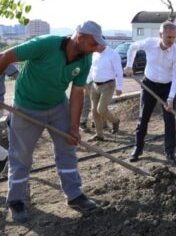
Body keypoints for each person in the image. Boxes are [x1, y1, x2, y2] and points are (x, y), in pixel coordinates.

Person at [0, 20, 105, 223]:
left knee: (67, 149)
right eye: (93, 44)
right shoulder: (45, 44)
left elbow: (76, 94)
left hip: (58, 107)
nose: (95, 49)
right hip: (26, 107)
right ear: (80, 38)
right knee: (21, 156)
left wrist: (74, 127)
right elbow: (7, 56)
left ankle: (74, 195)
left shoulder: (85, 59)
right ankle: (16, 201)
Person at [124, 21, 176, 164]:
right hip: (149, 85)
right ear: (160, 34)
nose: (171, 41)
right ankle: (138, 148)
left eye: (174, 38)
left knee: (170, 120)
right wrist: (129, 66)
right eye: (168, 37)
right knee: (143, 117)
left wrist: (170, 98)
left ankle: (170, 152)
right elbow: (133, 47)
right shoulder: (150, 43)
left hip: (167, 87)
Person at [87, 44, 123, 141]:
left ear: (101, 43)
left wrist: (119, 87)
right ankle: (99, 135)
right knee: (94, 111)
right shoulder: (95, 53)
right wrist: (87, 81)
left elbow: (119, 71)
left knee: (101, 109)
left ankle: (115, 121)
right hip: (94, 86)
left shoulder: (112, 54)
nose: (93, 47)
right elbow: (92, 69)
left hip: (108, 85)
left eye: (95, 44)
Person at [0, 64, 19, 174]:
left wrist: (19, 98)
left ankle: (9, 157)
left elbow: (20, 78)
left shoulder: (2, 58)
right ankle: (9, 157)